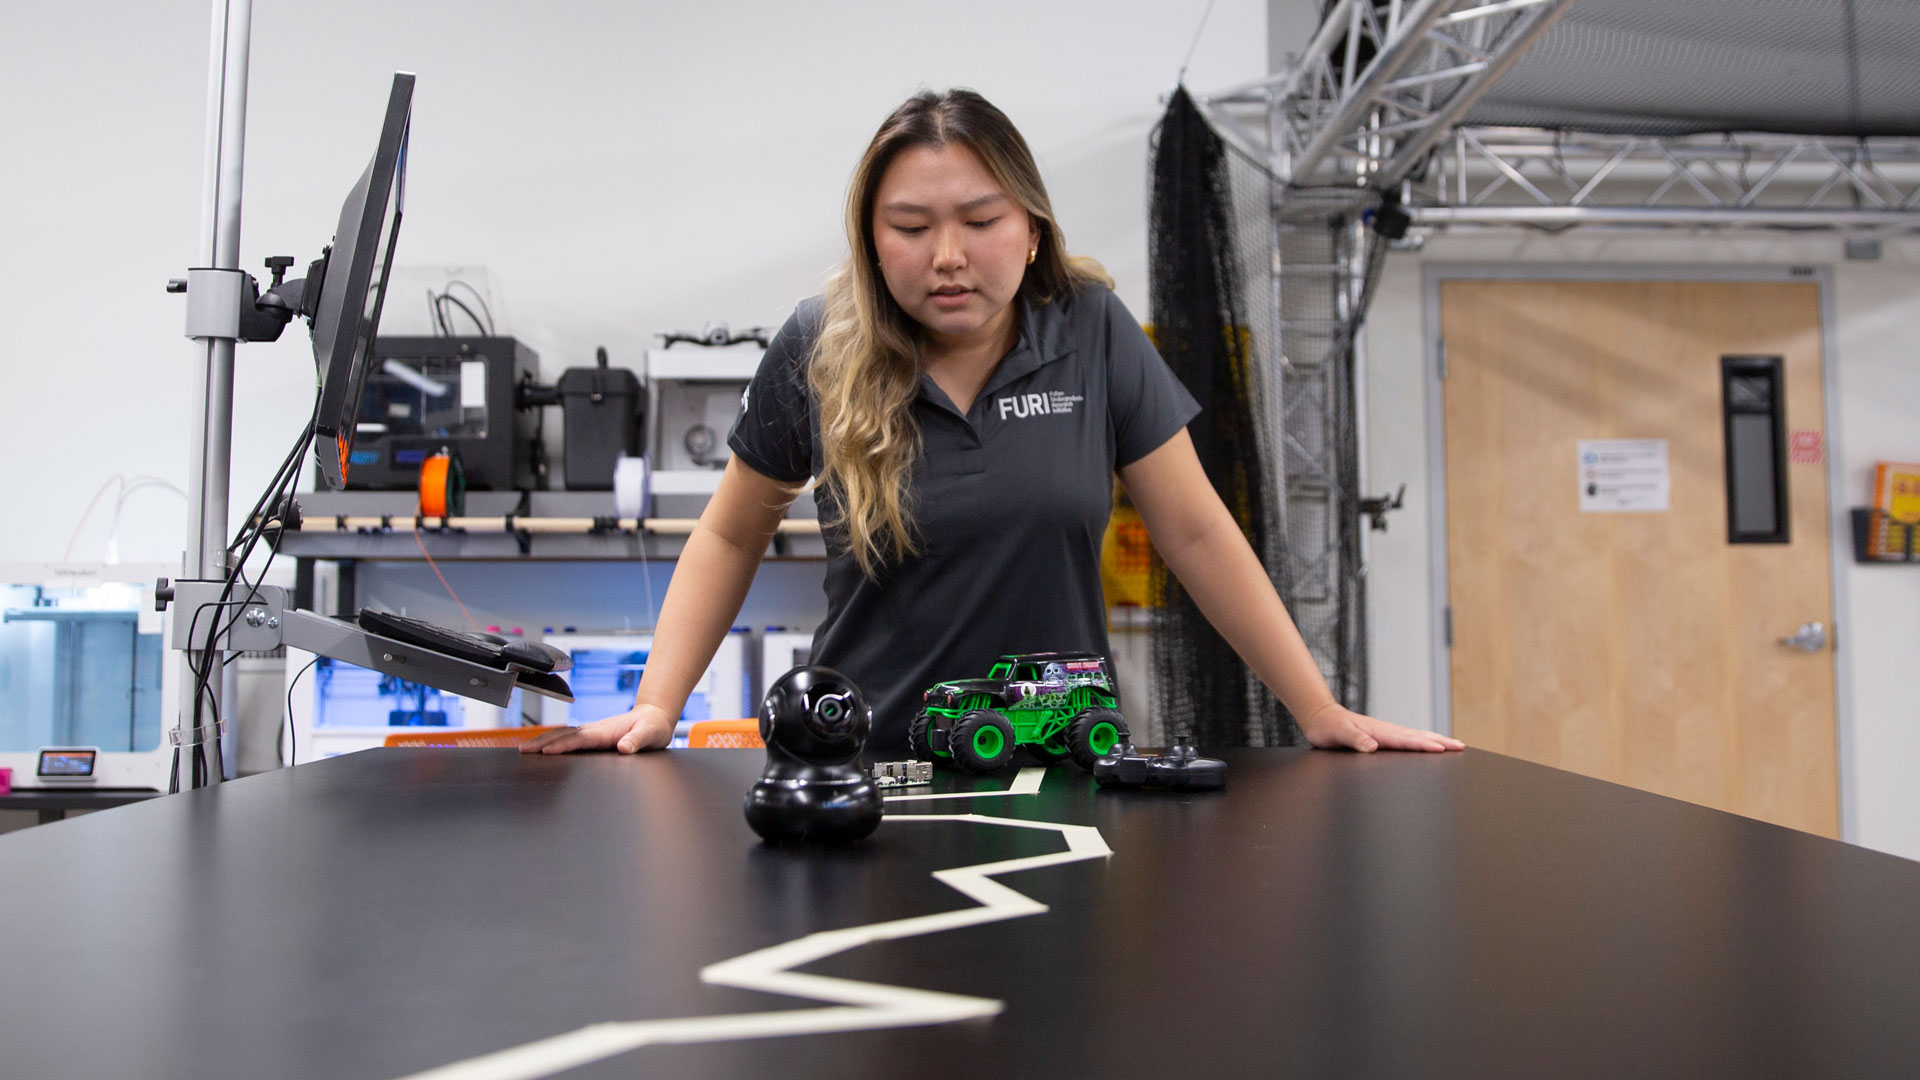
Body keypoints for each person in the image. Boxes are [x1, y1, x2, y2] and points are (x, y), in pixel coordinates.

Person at [523, 89, 1462, 759]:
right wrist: (657, 704)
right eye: (910, 225)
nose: (948, 257)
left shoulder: (1092, 328)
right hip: (868, 765)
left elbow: (1197, 528)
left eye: (980, 218)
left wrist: (1317, 706)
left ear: (1033, 226)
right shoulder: (819, 343)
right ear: (869, 236)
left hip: (1057, 768)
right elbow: (731, 529)